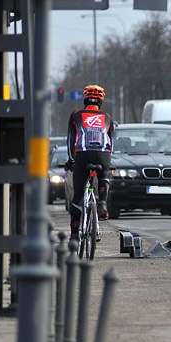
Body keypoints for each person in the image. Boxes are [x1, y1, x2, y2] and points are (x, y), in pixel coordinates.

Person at [67, 84, 114, 238]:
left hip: (83, 155)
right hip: (102, 155)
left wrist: (71, 160)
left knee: (78, 197)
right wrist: (108, 161)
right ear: (100, 102)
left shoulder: (76, 115)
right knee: (105, 172)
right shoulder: (107, 117)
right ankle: (102, 203)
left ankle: (74, 235)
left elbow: (71, 141)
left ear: (85, 100)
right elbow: (111, 143)